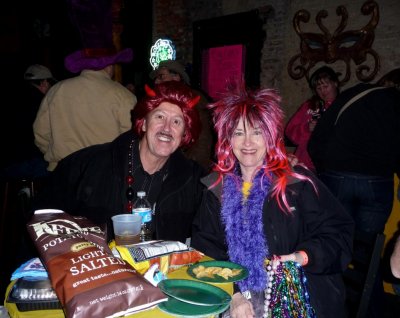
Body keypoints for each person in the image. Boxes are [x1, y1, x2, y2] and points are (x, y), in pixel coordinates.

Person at [191, 81, 354, 318]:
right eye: (238, 132)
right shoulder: (216, 189)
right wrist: (233, 294)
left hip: (301, 294)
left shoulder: (296, 182)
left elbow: (338, 235)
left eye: (257, 132)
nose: (247, 143)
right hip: (238, 295)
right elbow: (205, 248)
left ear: (269, 137)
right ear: (228, 140)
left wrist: (300, 257)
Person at [32, 81, 205, 245]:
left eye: (177, 121)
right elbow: (43, 221)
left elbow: (211, 236)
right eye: (159, 117)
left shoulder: (194, 181)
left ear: (184, 134)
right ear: (144, 123)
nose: (167, 128)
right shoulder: (87, 165)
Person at [33, 0, 137, 172]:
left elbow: (40, 133)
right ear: (109, 65)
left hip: (63, 174)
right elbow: (132, 141)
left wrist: (55, 155)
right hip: (104, 176)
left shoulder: (56, 91)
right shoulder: (124, 96)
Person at [150, 59, 215, 172]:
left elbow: (203, 142)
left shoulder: (195, 99)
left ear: (176, 77)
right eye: (157, 77)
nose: (156, 82)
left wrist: (188, 171)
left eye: (161, 76)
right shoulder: (160, 101)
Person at [2, 65, 56, 179]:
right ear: (44, 82)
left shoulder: (9, 98)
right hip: (33, 160)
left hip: (9, 160)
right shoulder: (44, 103)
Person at [285, 66, 339, 172]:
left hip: (332, 168)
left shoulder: (343, 106)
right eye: (319, 88)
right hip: (305, 165)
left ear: (335, 84)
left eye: (325, 86)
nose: (323, 91)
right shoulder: (309, 106)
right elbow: (289, 132)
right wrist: (307, 128)